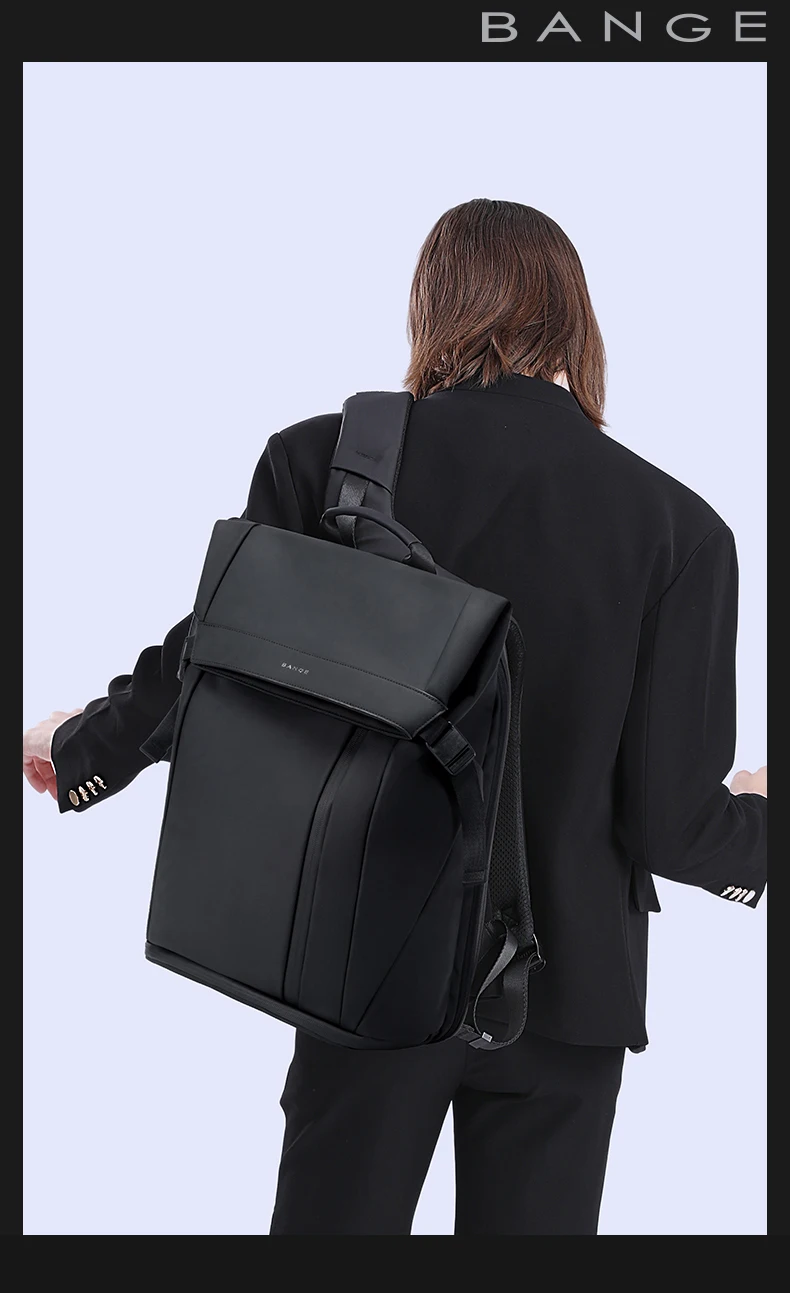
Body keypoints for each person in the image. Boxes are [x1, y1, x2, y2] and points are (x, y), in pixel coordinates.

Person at [23, 200, 767, 1236]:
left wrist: (83, 750)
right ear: (577, 318)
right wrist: (759, 826)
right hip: (568, 1000)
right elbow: (670, 825)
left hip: (362, 968)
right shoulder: (680, 529)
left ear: (433, 305)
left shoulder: (328, 463)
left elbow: (215, 658)